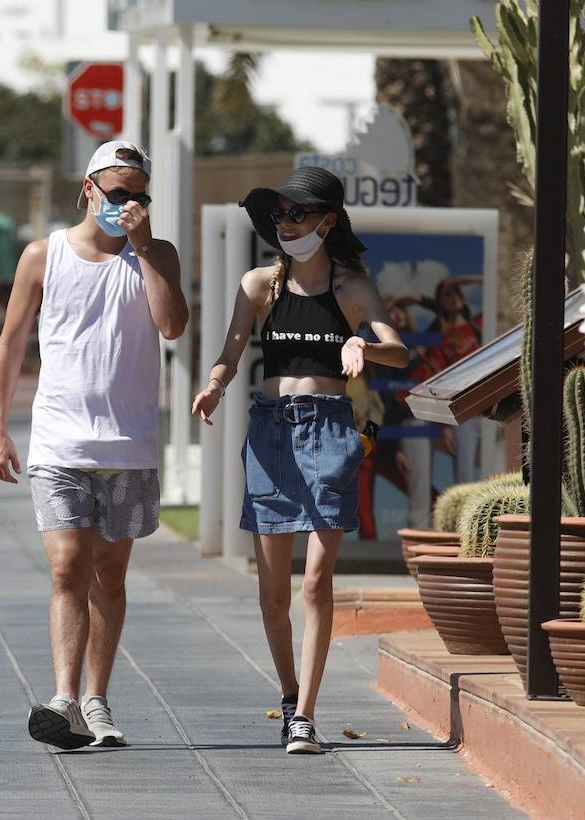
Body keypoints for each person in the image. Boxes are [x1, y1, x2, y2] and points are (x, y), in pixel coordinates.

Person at [191, 166, 408, 754]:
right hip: (269, 433)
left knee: (315, 581)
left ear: (327, 221)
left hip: (330, 430)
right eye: (280, 214)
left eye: (297, 214)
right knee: (272, 593)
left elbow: (401, 350)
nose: (286, 224)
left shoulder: (353, 287)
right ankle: (289, 696)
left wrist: (364, 343)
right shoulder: (261, 284)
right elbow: (232, 350)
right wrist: (214, 384)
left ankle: (307, 717)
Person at [0, 140, 188, 751]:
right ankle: (64, 699)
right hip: (58, 441)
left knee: (110, 575)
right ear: (88, 189)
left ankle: (97, 700)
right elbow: (11, 343)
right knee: (67, 567)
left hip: (128, 444)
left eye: (137, 194)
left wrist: (147, 246)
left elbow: (173, 325)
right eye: (115, 191)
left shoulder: (157, 256)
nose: (124, 203)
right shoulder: (43, 255)